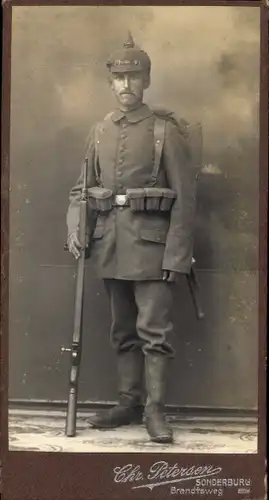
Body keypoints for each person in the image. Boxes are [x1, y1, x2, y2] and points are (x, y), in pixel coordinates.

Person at [66, 32, 196, 444]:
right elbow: (81, 189)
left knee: (153, 332)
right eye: (119, 78)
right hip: (110, 244)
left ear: (146, 80)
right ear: (110, 84)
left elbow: (186, 201)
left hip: (154, 251)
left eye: (134, 77)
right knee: (122, 331)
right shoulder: (100, 131)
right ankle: (129, 403)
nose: (126, 86)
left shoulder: (164, 132)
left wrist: (176, 257)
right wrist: (77, 227)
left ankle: (155, 411)